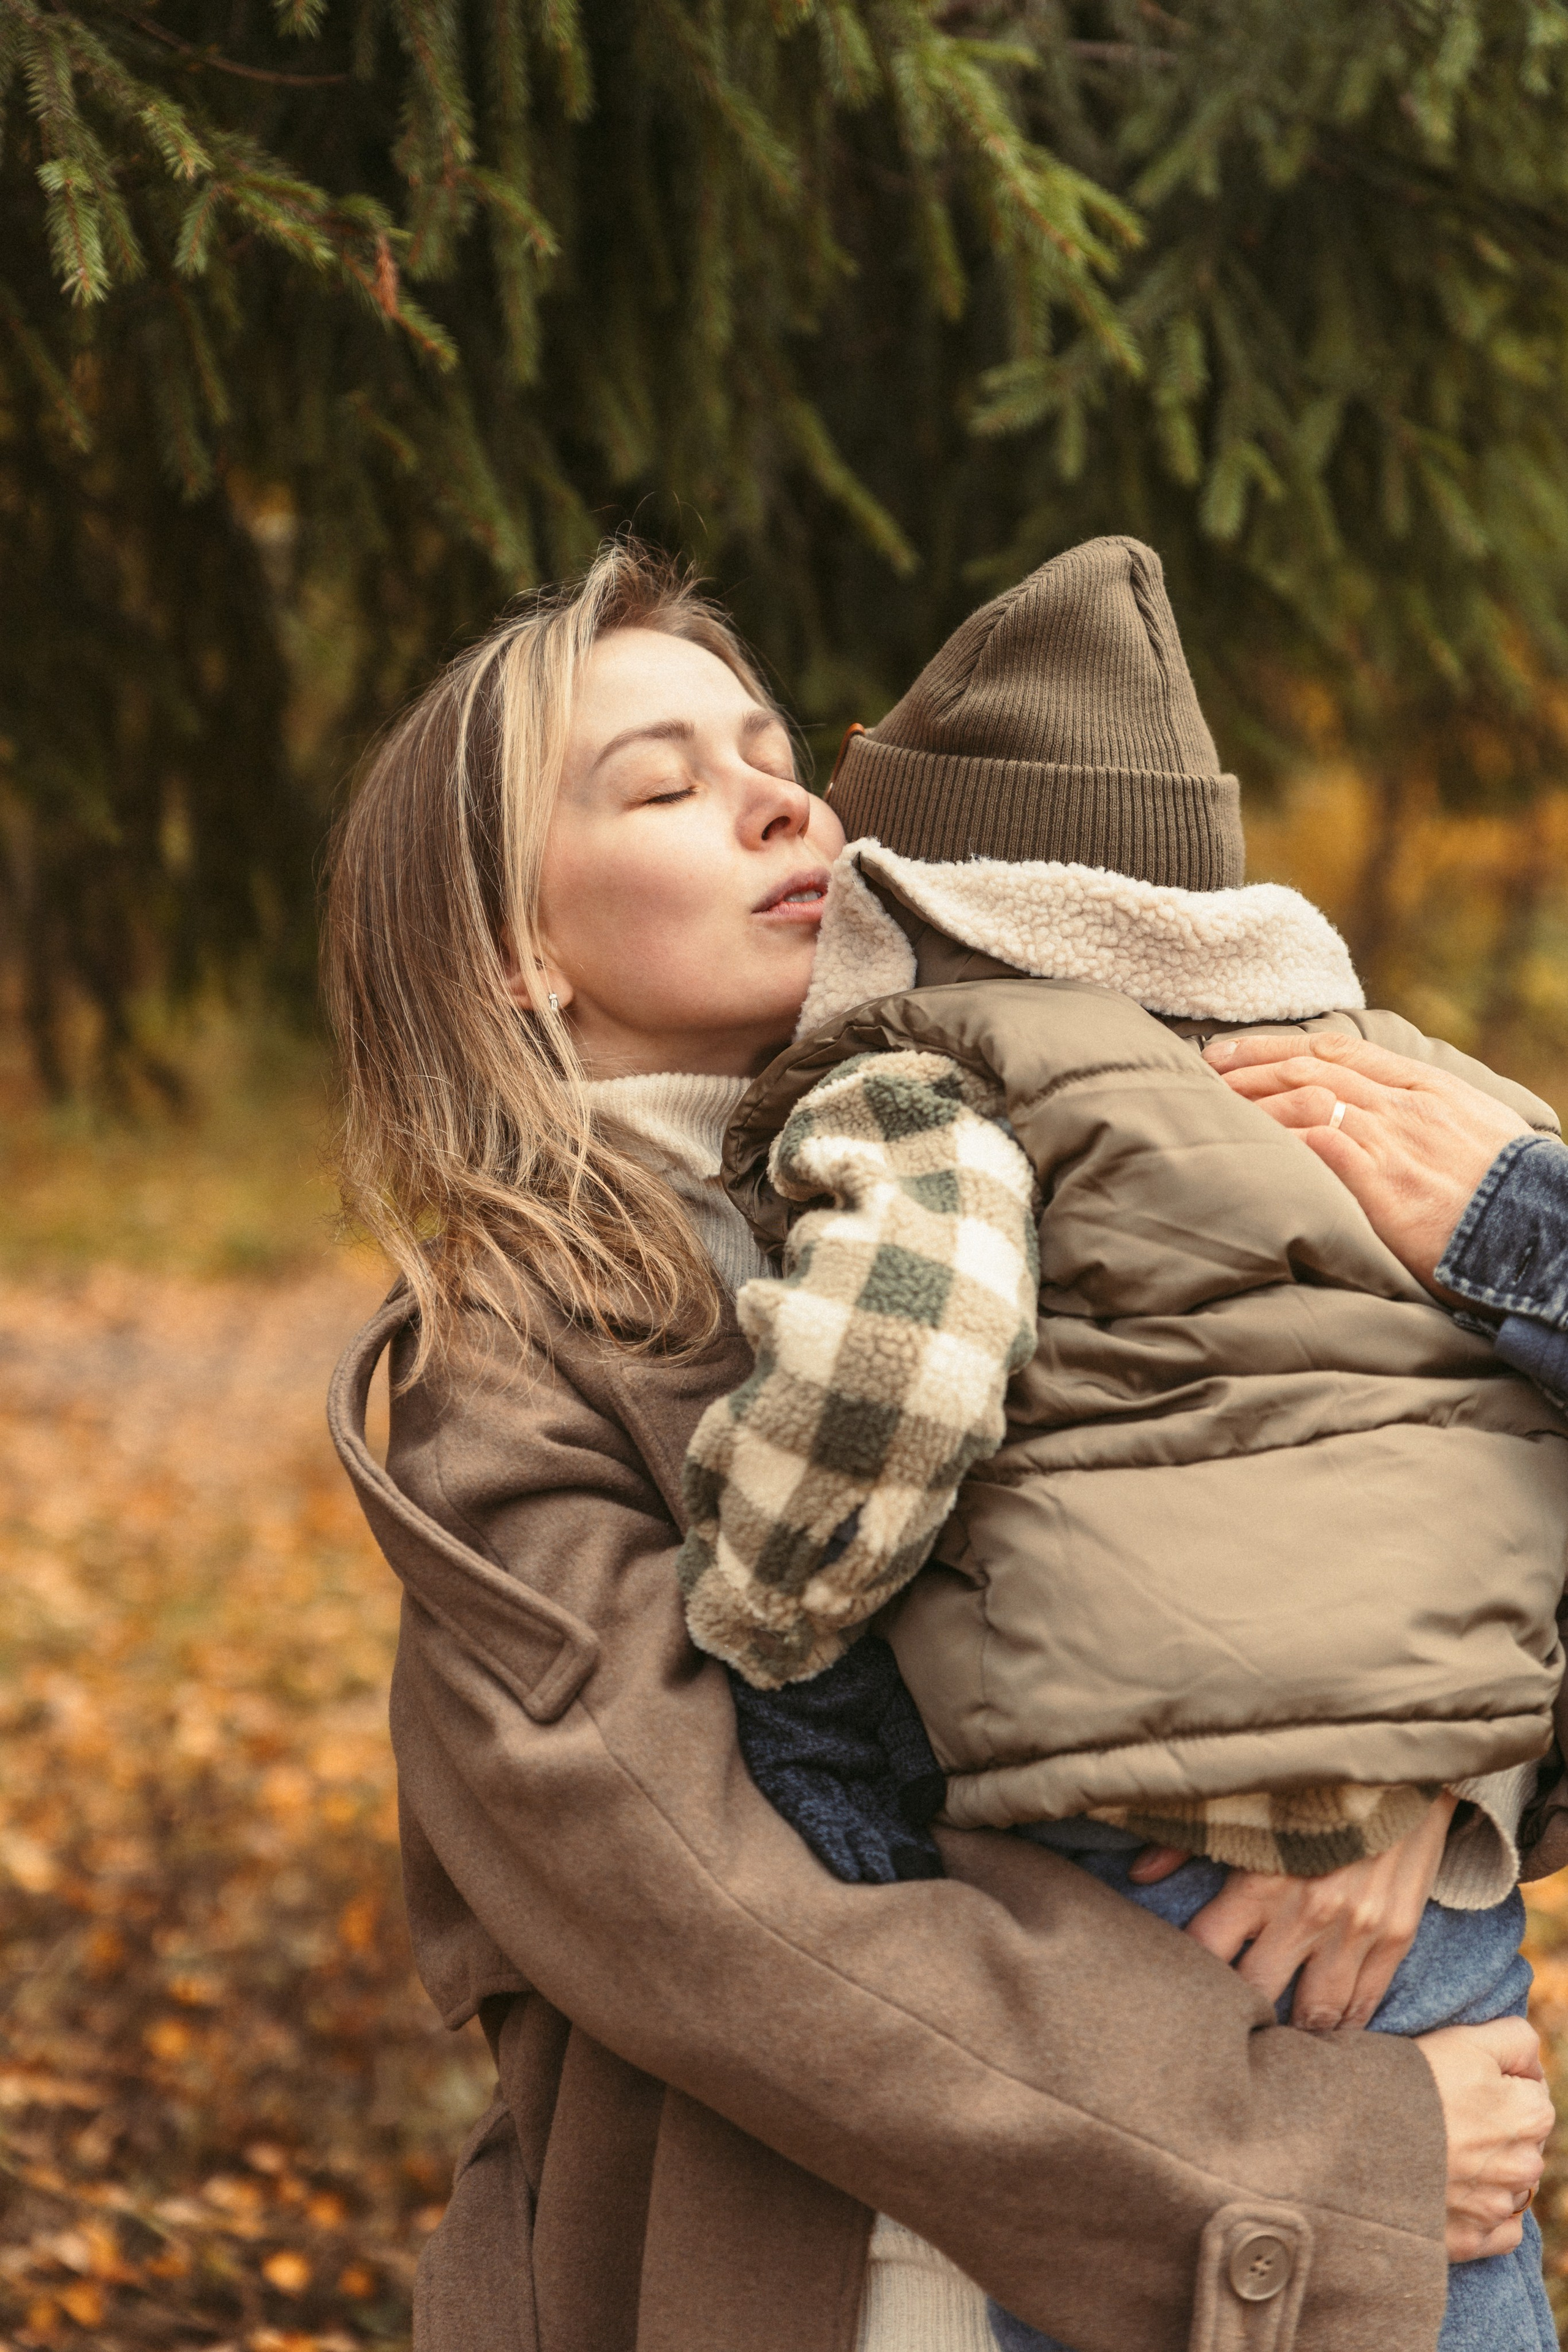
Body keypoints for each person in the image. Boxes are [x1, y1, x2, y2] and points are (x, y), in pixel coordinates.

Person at [322, 538, 1551, 2352]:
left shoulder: (1091, 1154)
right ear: (512, 952)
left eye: (772, 757)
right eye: (663, 787)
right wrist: (1321, 2155)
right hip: (844, 2292)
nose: (778, 808)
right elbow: (725, 1931)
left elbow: (1409, 1463)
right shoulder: (508, 1364)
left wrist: (1418, 1779)